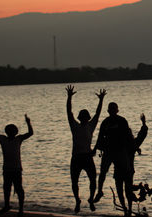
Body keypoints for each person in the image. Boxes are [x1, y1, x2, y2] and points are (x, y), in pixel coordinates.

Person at [66, 85, 106, 213]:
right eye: (82, 117)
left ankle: (91, 199)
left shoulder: (91, 126)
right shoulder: (74, 126)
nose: (84, 119)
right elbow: (69, 112)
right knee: (74, 181)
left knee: (93, 180)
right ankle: (77, 200)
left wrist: (101, 100)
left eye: (85, 117)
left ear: (87, 118)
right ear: (79, 118)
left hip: (87, 156)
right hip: (77, 157)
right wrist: (69, 97)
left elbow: (98, 113)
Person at [92, 102, 132, 216]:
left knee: (125, 176)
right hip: (109, 151)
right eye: (111, 110)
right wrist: (95, 149)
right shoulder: (105, 122)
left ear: (117, 110)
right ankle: (99, 191)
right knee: (103, 172)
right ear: (109, 111)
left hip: (120, 151)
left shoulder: (122, 121)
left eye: (114, 109)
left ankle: (127, 207)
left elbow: (128, 136)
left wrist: (133, 148)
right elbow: (100, 137)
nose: (113, 111)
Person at [0, 113, 33, 217]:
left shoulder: (18, 139)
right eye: (10, 131)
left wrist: (28, 122)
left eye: (13, 131)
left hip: (16, 169)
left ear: (16, 132)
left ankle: (21, 209)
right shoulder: (3, 139)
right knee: (7, 188)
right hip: (8, 169)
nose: (12, 132)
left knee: (18, 189)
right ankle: (7, 205)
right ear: (7, 132)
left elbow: (30, 133)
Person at [124, 113, 149, 215]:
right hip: (127, 169)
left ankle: (129, 209)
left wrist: (144, 123)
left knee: (127, 189)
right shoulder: (131, 144)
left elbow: (142, 135)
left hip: (126, 170)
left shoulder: (130, 145)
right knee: (127, 189)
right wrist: (143, 123)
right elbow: (142, 135)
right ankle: (129, 208)